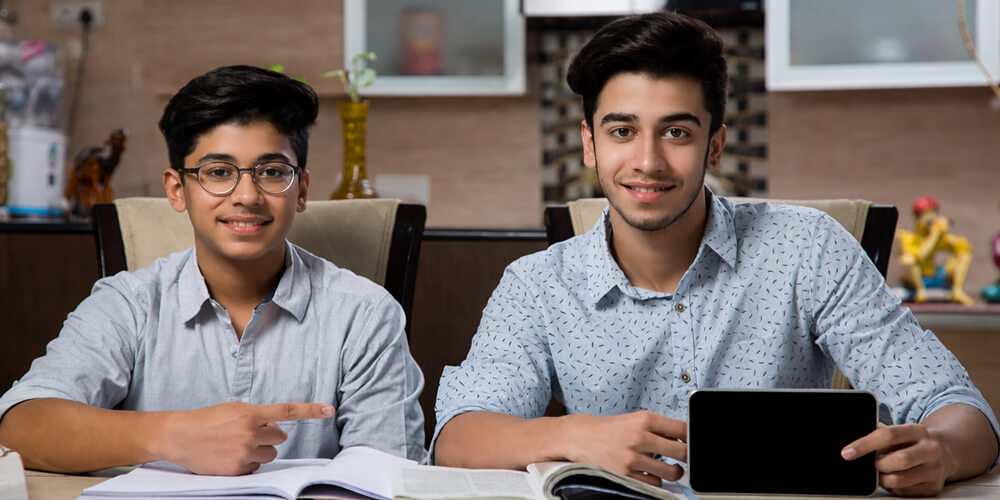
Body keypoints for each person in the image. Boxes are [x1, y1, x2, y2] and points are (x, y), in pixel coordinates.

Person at [432, 12, 998, 497]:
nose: (647, 161)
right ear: (589, 144)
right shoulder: (537, 283)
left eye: (676, 132)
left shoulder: (809, 247)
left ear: (715, 144)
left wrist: (941, 453)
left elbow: (961, 409)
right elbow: (456, 437)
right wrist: (572, 435)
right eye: (622, 130)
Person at [0, 65, 425, 475]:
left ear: (302, 191)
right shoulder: (127, 304)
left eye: (272, 172)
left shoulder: (365, 315)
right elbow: (21, 426)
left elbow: (393, 474)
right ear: (176, 189)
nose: (247, 195)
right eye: (218, 172)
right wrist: (174, 435)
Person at [896, 196, 974, 305]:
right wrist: (934, 236)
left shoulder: (937, 235)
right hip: (916, 281)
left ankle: (957, 290)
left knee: (964, 254)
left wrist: (945, 234)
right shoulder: (907, 237)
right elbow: (919, 256)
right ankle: (921, 291)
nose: (930, 218)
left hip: (935, 276)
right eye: (925, 215)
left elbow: (964, 248)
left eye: (933, 213)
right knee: (908, 260)